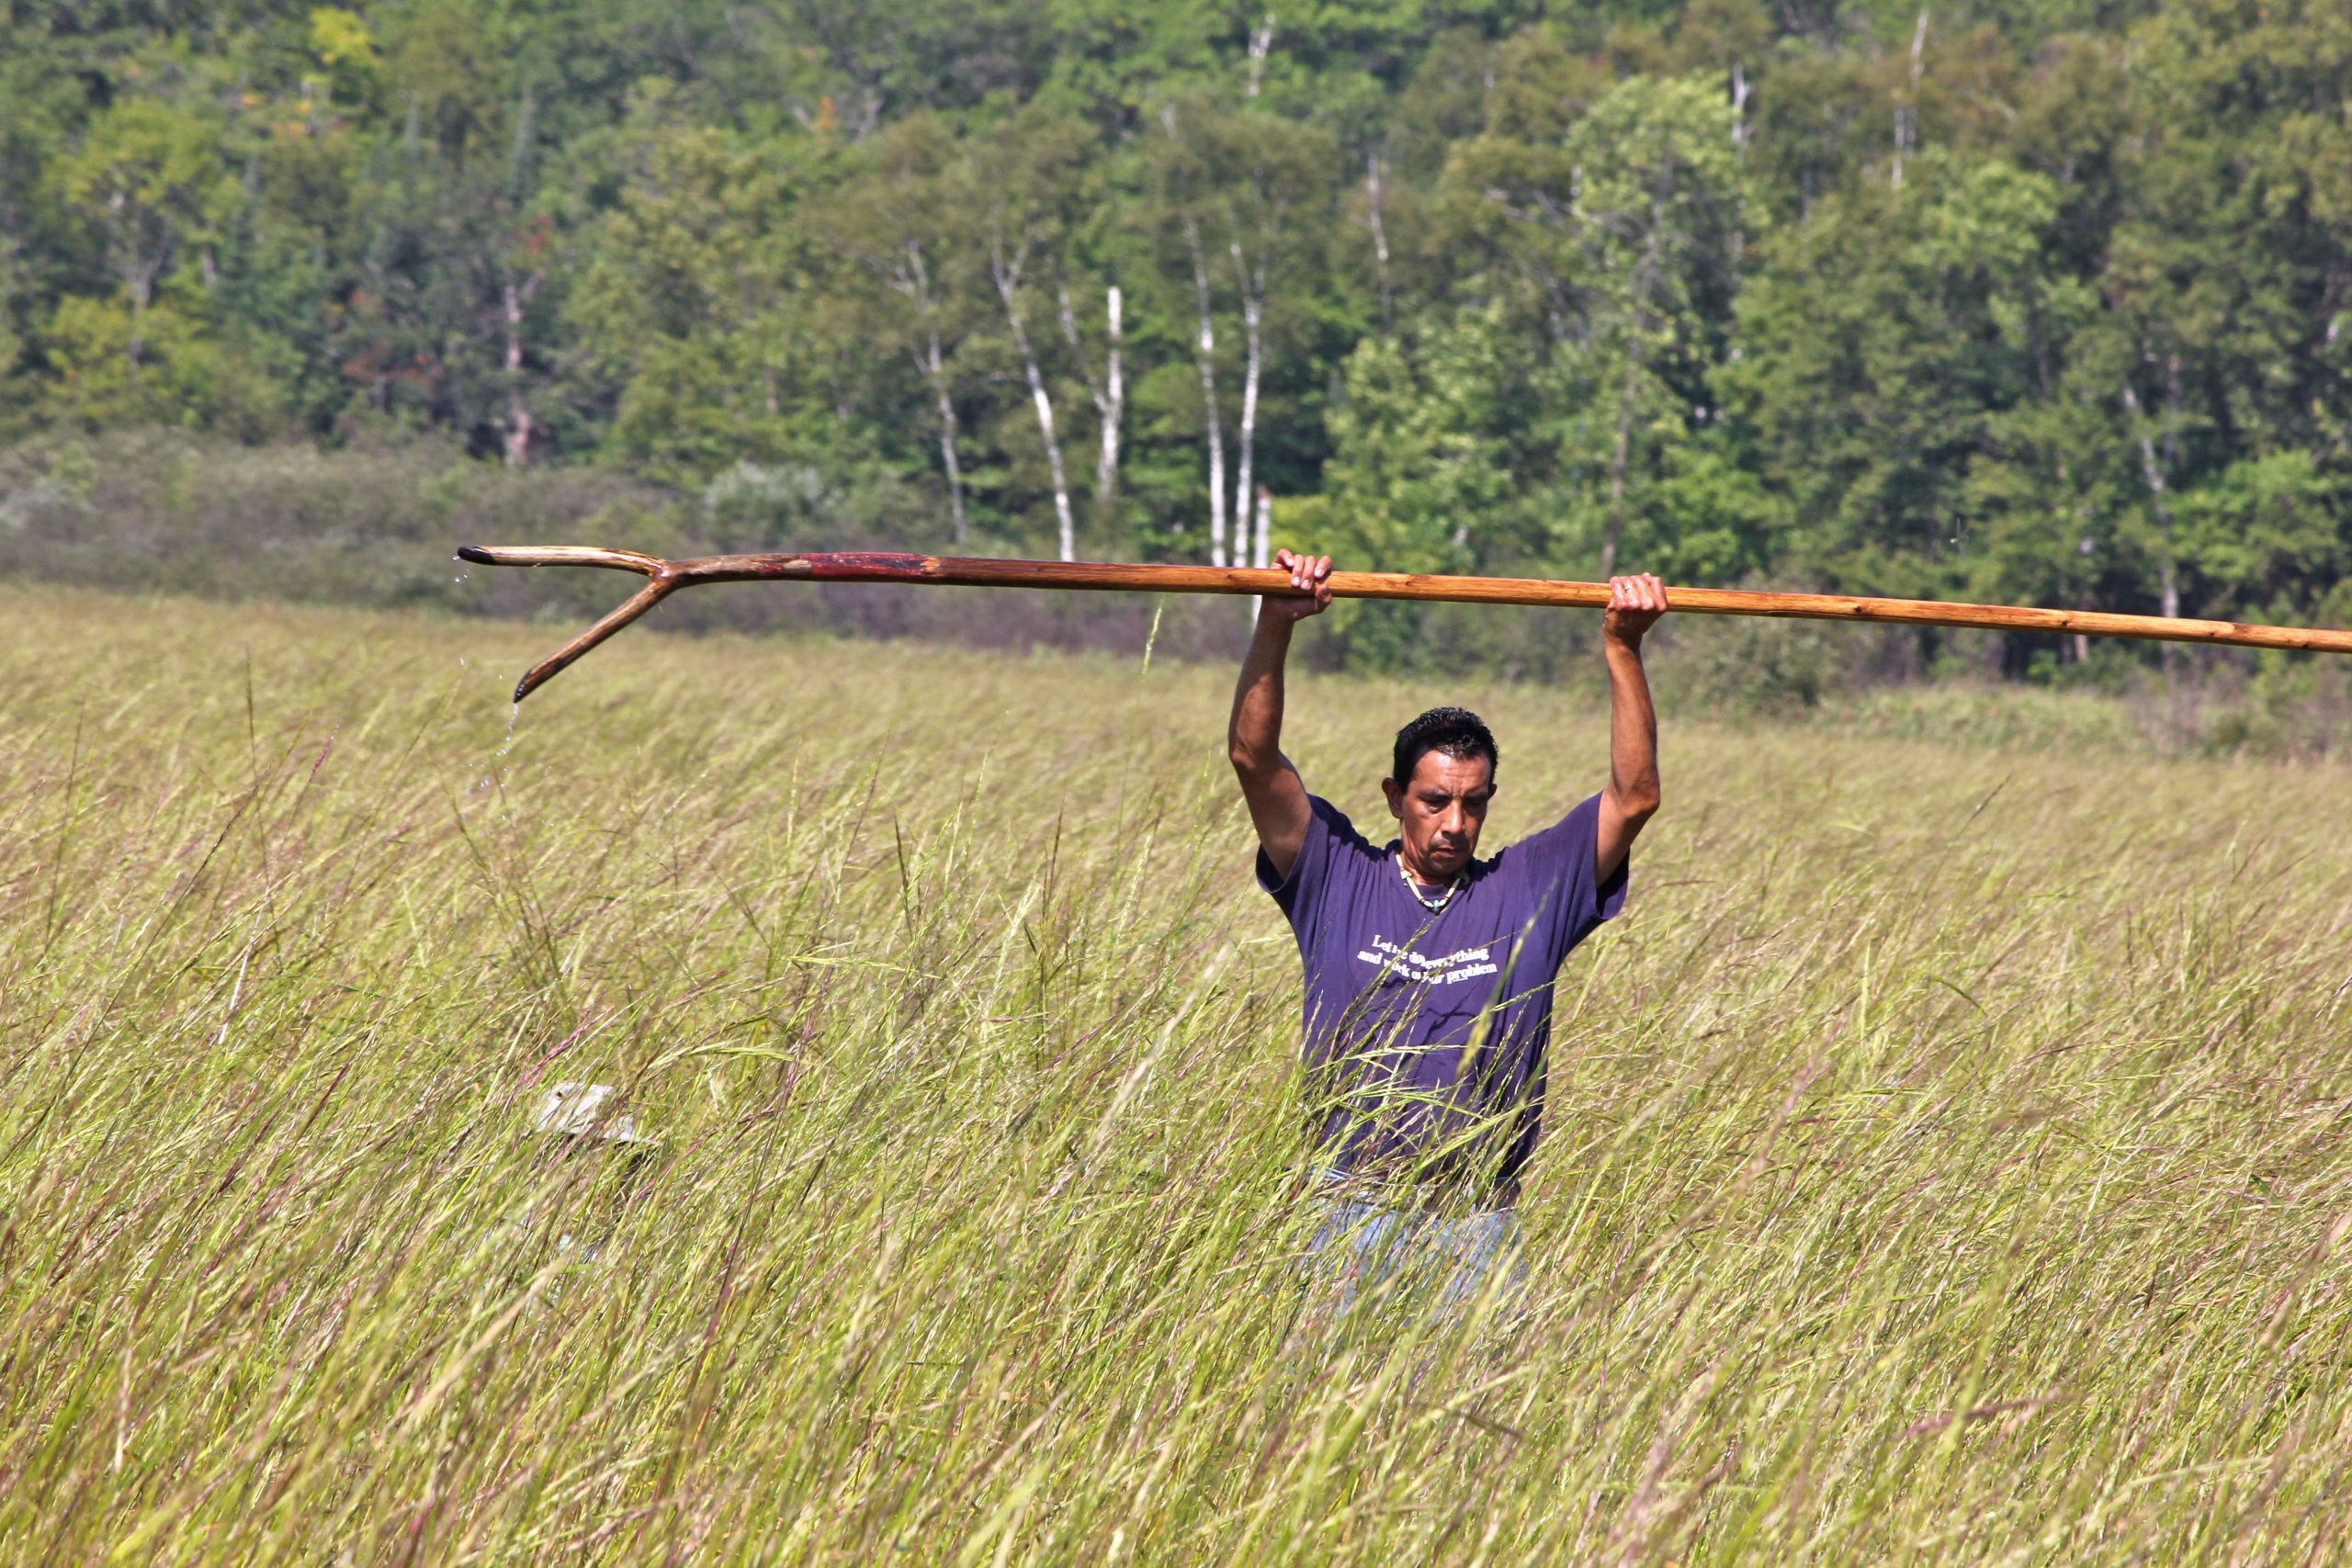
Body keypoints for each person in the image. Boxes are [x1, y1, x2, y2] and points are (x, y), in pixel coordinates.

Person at [1227, 548, 1668, 1326]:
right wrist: (1275, 623)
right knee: (1305, 1428)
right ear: (1397, 795)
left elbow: (1634, 797)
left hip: (1475, 1222)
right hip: (1347, 1209)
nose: (1454, 824)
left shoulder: (1529, 889)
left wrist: (1623, 648)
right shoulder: (1335, 874)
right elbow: (1252, 758)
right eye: (1434, 801)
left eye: (1473, 802)